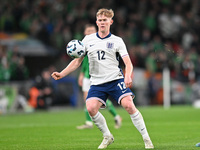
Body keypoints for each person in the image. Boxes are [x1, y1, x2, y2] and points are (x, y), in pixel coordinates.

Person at [52, 8, 154, 149]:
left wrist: (128, 76)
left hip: (115, 79)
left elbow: (128, 63)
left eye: (105, 20)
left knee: (129, 105)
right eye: (100, 20)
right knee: (91, 108)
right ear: (96, 22)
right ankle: (107, 136)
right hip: (97, 82)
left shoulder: (117, 41)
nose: (102, 22)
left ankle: (147, 139)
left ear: (110, 22)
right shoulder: (88, 40)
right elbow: (77, 61)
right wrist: (62, 74)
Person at [77, 24, 122, 129]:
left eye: (92, 30)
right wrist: (81, 75)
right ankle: (89, 122)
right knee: (88, 100)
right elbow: (82, 62)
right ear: (85, 33)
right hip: (87, 76)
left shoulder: (99, 44)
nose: (90, 32)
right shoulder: (85, 44)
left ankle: (116, 116)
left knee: (98, 100)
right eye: (88, 31)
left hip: (97, 77)